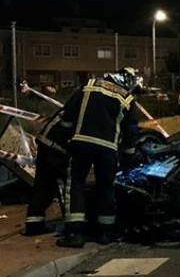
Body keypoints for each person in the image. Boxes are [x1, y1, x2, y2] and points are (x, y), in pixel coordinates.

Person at [57, 67, 142, 248]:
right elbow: (131, 131)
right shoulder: (127, 98)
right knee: (106, 186)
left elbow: (67, 115)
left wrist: (64, 137)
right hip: (108, 148)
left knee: (76, 184)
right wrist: (129, 154)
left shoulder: (88, 86)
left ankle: (75, 233)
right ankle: (106, 232)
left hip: (81, 143)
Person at [23, 108, 74, 236]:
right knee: (68, 185)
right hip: (57, 148)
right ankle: (72, 226)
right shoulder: (91, 102)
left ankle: (33, 224)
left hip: (45, 142)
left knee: (44, 184)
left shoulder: (79, 98)